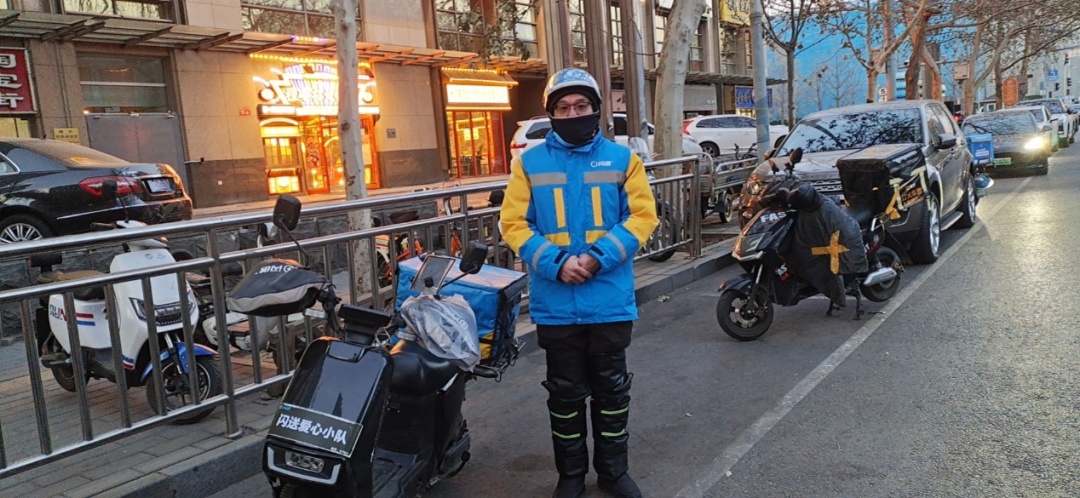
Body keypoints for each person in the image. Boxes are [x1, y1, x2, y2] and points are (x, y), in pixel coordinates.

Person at [499, 68, 658, 498]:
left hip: (609, 301)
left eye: (581, 106)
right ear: (551, 113)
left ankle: (613, 473)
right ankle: (570, 476)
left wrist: (596, 257)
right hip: (556, 303)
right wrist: (556, 263)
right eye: (564, 108)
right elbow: (513, 224)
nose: (573, 114)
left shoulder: (624, 160)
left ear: (596, 109)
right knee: (565, 398)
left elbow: (642, 217)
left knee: (612, 394)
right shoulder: (529, 164)